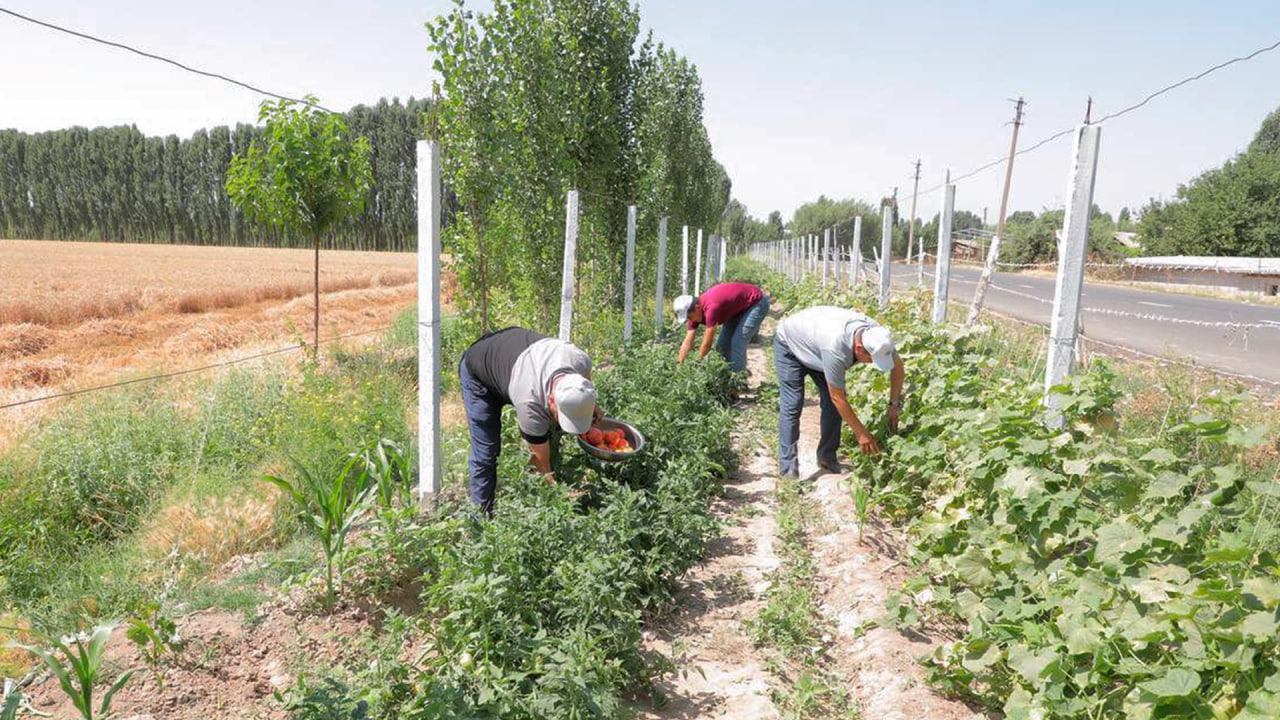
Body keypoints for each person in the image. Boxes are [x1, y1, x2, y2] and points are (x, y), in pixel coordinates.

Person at [459, 326, 602, 513]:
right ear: (551, 400)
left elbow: (584, 384)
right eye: (562, 415)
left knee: (549, 432)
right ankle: (481, 520)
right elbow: (540, 464)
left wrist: (592, 408)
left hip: (515, 358)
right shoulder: (530, 403)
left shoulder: (580, 360)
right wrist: (559, 494)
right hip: (480, 371)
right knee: (486, 452)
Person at [773, 306, 904, 478]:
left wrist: (894, 404)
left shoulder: (879, 339)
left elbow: (898, 367)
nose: (872, 363)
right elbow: (838, 397)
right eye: (871, 360)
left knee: (831, 404)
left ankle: (827, 457)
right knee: (793, 404)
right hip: (790, 344)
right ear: (858, 348)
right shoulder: (835, 349)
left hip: (817, 343)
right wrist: (861, 433)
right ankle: (788, 468)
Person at [673, 282, 771, 372]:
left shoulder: (711, 308)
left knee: (737, 343)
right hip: (737, 309)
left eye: (689, 317)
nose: (690, 320)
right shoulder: (694, 313)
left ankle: (738, 381)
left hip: (756, 303)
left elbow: (707, 342)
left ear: (697, 307)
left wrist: (698, 363)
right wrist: (679, 364)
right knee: (722, 346)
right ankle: (728, 374)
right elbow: (687, 341)